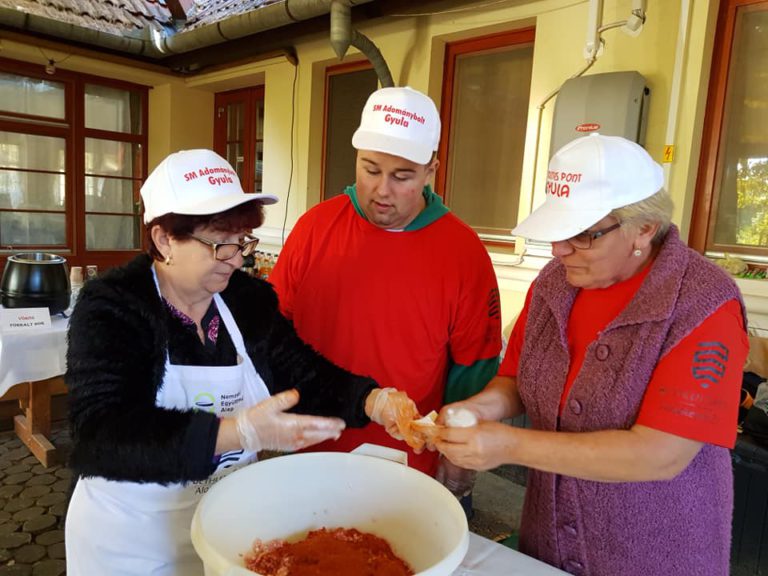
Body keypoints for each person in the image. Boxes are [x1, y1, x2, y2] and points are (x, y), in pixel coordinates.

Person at [64, 149, 411, 576]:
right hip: (132, 540)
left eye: (243, 240)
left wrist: (373, 400)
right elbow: (101, 433)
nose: (237, 258)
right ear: (164, 239)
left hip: (227, 526)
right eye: (219, 243)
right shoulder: (113, 307)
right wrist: (236, 433)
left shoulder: (247, 301)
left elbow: (302, 373)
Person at [435, 133, 749, 576]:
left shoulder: (702, 304)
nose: (559, 249)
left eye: (583, 234)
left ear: (644, 228)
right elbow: (516, 381)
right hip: (550, 541)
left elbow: (660, 454)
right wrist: (476, 410)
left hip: (653, 554)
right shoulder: (554, 283)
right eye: (557, 231)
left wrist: (509, 445)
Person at [269, 86, 502, 477]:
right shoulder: (314, 229)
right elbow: (272, 330)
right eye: (370, 169)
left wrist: (458, 454)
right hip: (310, 450)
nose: (382, 190)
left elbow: (474, 367)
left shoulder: (464, 251)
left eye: (402, 176)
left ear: (431, 171)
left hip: (409, 462)